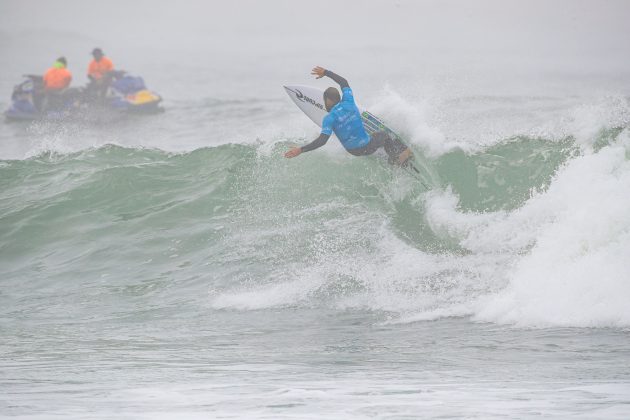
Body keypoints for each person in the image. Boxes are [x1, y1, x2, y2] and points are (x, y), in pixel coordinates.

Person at [285, 66, 412, 165]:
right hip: (367, 145)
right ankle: (397, 158)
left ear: (327, 101)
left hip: (353, 151)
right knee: (384, 135)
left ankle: (392, 157)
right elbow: (343, 82)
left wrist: (300, 150)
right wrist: (326, 72)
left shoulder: (329, 119)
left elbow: (322, 141)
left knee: (373, 136)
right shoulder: (349, 101)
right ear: (339, 98)